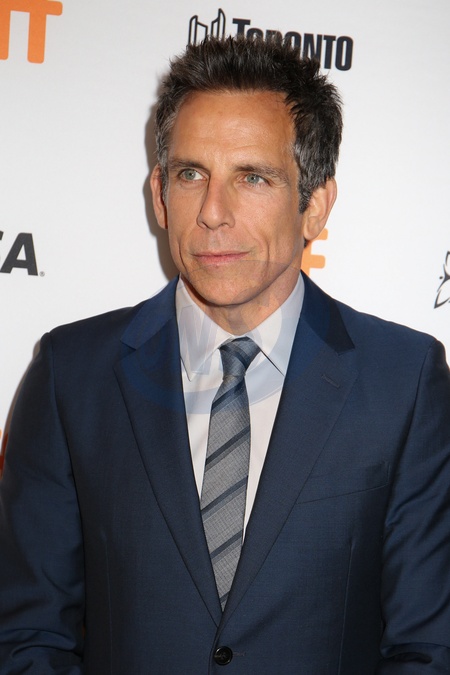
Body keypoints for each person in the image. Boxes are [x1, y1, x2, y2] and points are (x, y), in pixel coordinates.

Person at [1, 36, 450, 674]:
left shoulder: (404, 381)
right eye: (191, 175)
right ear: (159, 195)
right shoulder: (69, 374)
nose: (213, 213)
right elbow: (28, 635)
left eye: (253, 178)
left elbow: (428, 647)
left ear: (315, 205)